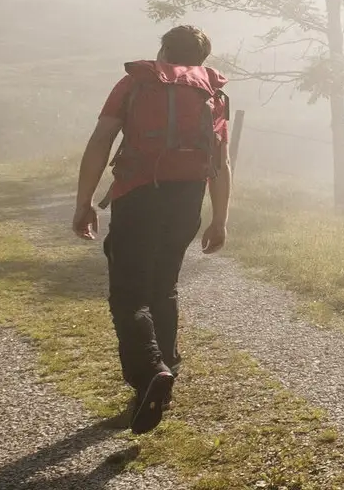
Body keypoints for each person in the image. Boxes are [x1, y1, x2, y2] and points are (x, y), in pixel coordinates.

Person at [70, 24, 232, 435]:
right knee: (164, 287)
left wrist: (84, 201)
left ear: (161, 52)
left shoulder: (135, 84)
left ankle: (150, 374)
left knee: (129, 295)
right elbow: (221, 163)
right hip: (187, 201)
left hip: (138, 196)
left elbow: (101, 140)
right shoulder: (211, 94)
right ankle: (165, 374)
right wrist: (220, 218)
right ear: (203, 60)